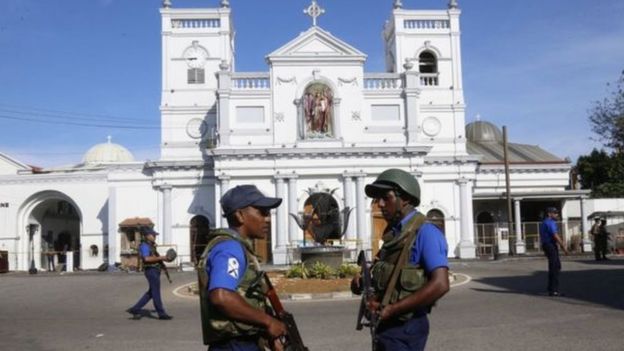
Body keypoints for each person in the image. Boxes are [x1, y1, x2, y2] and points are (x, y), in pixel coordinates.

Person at [351, 168, 449, 351]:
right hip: (385, 326)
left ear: (405, 199)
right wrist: (362, 282)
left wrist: (393, 309)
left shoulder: (426, 233)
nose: (379, 204)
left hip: (406, 327)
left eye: (385, 197)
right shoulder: (394, 234)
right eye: (377, 198)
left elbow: (441, 284)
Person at [197, 185, 287, 351]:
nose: (267, 218)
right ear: (239, 215)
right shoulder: (230, 248)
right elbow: (221, 296)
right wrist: (268, 321)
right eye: (262, 212)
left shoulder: (237, 247)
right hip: (234, 345)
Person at [126, 227, 173, 320]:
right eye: (153, 234)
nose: (155, 236)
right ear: (147, 236)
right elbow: (146, 259)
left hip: (154, 270)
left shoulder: (151, 246)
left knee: (151, 292)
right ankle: (161, 313)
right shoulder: (144, 246)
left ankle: (135, 309)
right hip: (151, 271)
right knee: (155, 292)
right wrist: (162, 258)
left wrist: (164, 261)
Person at [539, 207, 569, 297]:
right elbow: (555, 235)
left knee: (556, 266)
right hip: (550, 245)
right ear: (549, 214)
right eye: (555, 213)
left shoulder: (544, 222)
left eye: (557, 213)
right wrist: (564, 247)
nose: (557, 215)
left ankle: (551, 288)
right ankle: (553, 290)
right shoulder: (550, 222)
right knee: (554, 267)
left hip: (547, 245)